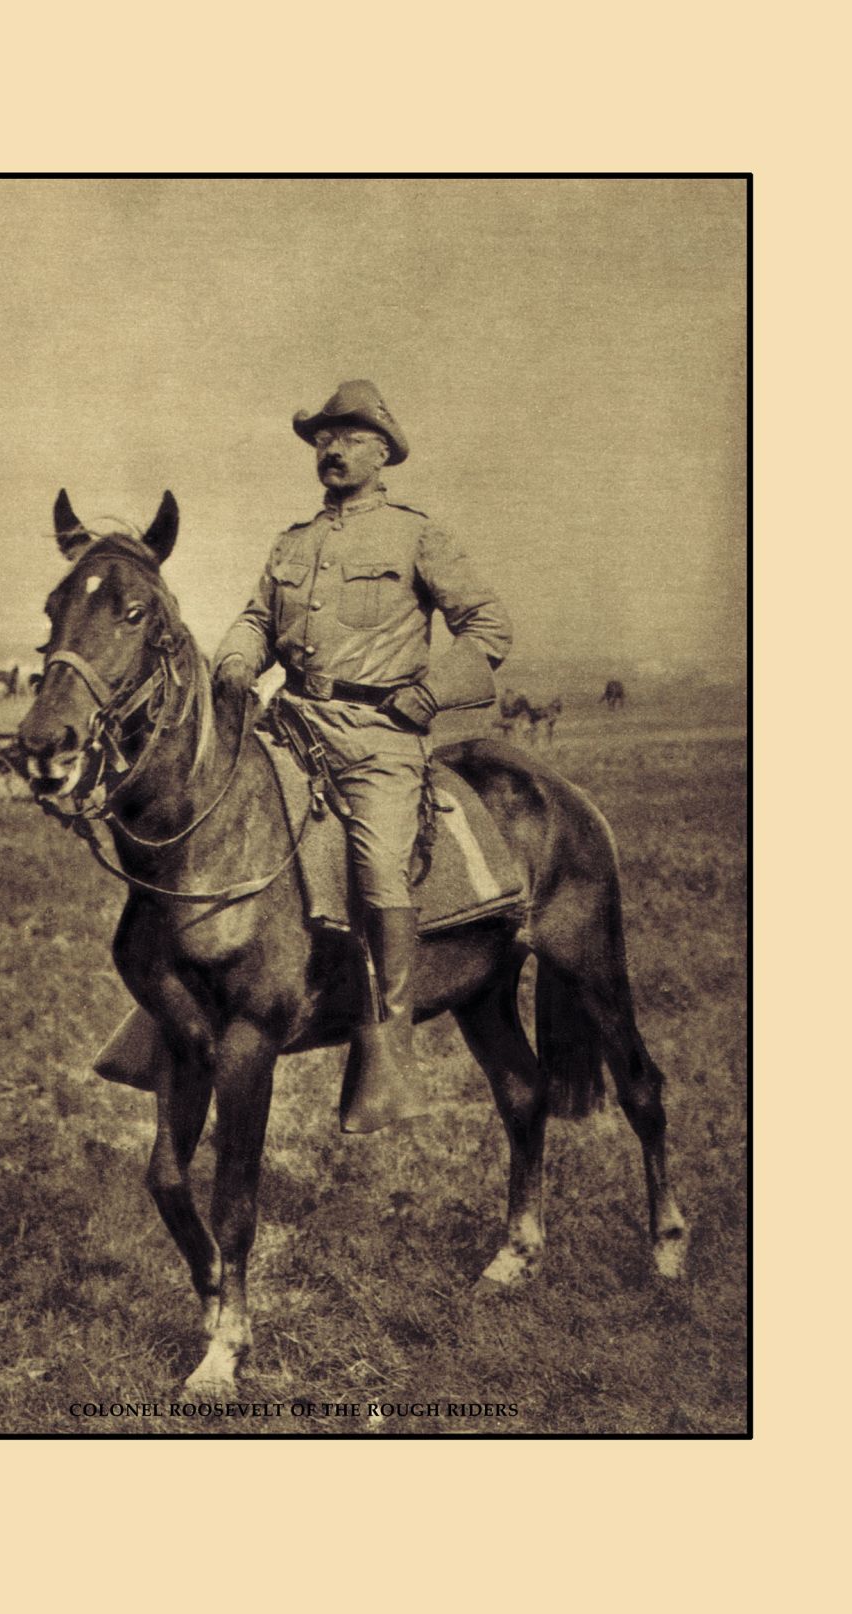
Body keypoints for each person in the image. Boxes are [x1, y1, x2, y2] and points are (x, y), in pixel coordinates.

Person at [212, 381, 512, 1133]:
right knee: (214, 825)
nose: (331, 449)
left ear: (383, 452)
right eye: (322, 437)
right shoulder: (293, 543)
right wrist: (238, 658)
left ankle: (389, 1039)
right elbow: (255, 617)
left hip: (380, 733)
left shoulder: (416, 536)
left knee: (377, 863)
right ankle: (182, 1005)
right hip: (294, 722)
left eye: (348, 437)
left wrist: (431, 692)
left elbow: (488, 627)